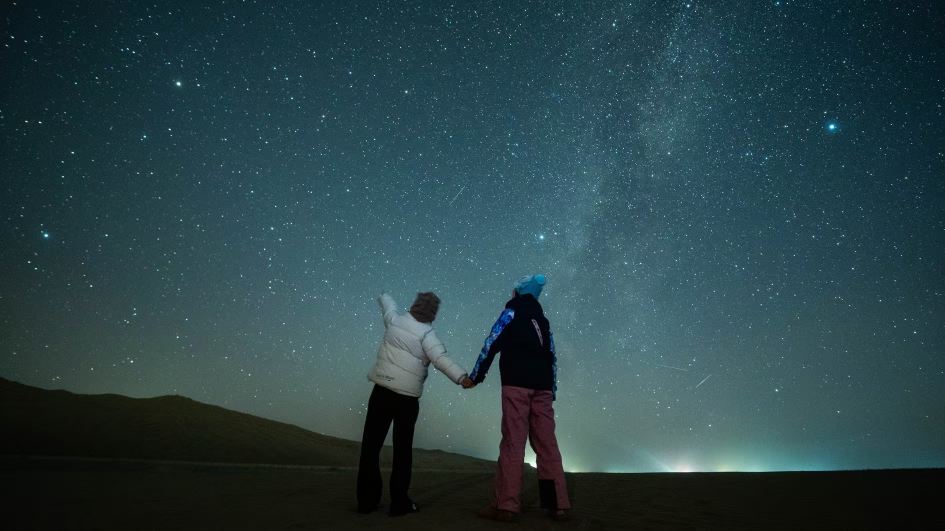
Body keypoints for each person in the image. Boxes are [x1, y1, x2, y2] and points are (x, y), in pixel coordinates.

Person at [357, 291, 473, 517]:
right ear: (433, 315)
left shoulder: (396, 321)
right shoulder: (428, 335)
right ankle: (399, 503)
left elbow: (388, 306)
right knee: (402, 452)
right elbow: (441, 359)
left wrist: (383, 295)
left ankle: (366, 501)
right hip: (406, 400)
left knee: (371, 447)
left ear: (413, 305)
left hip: (381, 391)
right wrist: (462, 378)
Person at [467, 274, 571, 522]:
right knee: (547, 445)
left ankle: (506, 505)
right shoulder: (544, 322)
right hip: (543, 388)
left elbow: (492, 342)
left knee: (514, 442)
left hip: (516, 385)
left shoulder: (511, 312)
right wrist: (552, 390)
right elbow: (552, 356)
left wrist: (476, 375)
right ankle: (557, 504)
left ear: (518, 292)